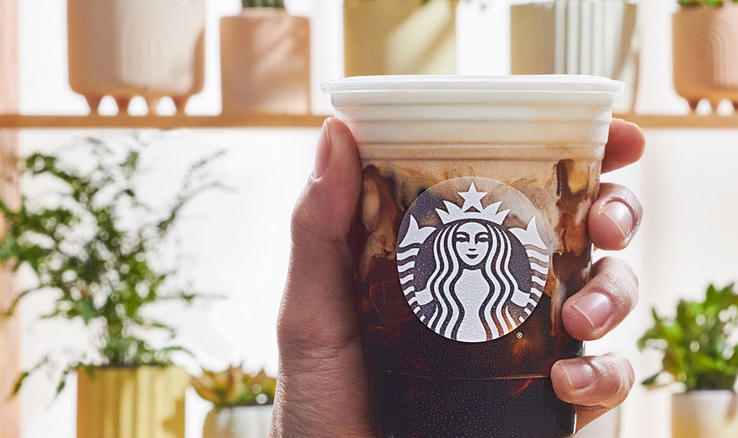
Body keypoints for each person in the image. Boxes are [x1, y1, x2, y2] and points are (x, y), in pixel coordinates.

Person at [270, 117, 645, 437]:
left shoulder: (510, 297)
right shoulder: (422, 292)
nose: (472, 246)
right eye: (461, 236)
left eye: (482, 237)